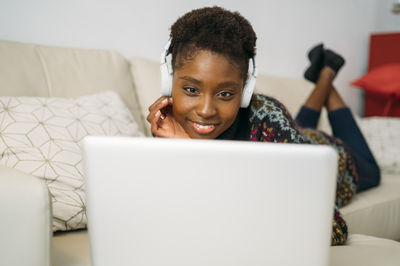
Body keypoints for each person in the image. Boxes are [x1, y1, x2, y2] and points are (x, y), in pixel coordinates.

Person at [147, 6, 380, 246]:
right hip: (292, 139)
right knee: (297, 129)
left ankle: (327, 74)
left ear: (246, 91)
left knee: (372, 170)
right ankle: (323, 74)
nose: (206, 111)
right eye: (191, 90)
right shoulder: (168, 123)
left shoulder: (270, 119)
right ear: (168, 82)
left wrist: (194, 152)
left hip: (336, 159)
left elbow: (334, 230)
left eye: (226, 94)